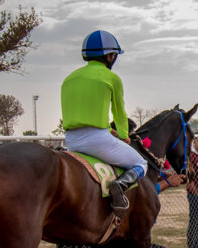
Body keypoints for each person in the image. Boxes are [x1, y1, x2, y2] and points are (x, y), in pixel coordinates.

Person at [59, 30, 145, 212]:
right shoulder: (112, 78)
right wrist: (123, 136)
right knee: (141, 164)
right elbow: (119, 113)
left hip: (71, 141)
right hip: (97, 140)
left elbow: (84, 111)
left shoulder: (69, 79)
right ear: (109, 56)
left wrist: (107, 128)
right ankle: (119, 186)